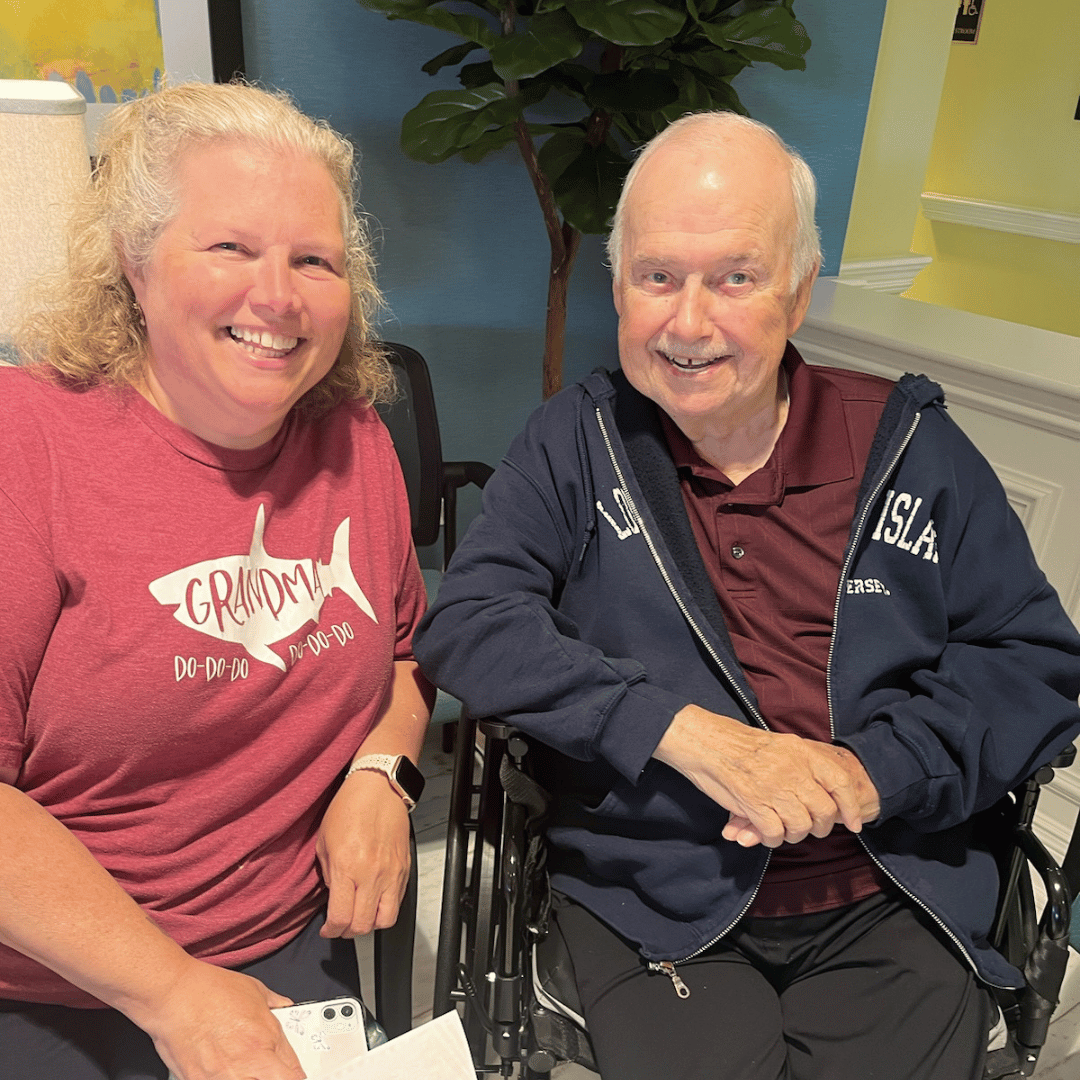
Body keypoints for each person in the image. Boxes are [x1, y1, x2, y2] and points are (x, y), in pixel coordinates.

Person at [414, 112, 1080, 1080]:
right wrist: (687, 733)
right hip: (650, 888)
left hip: (888, 882)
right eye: (658, 277)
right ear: (617, 287)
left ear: (800, 292)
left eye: (736, 277)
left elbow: (1033, 663)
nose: (689, 323)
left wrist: (869, 771)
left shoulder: (906, 447)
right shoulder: (575, 443)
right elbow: (470, 624)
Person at [0, 82, 433, 1080]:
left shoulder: (354, 441)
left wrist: (386, 774)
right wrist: (174, 993)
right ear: (133, 264)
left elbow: (406, 655)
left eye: (313, 260)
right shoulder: (28, 448)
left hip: (280, 945)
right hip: (55, 981)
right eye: (231, 248)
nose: (277, 296)